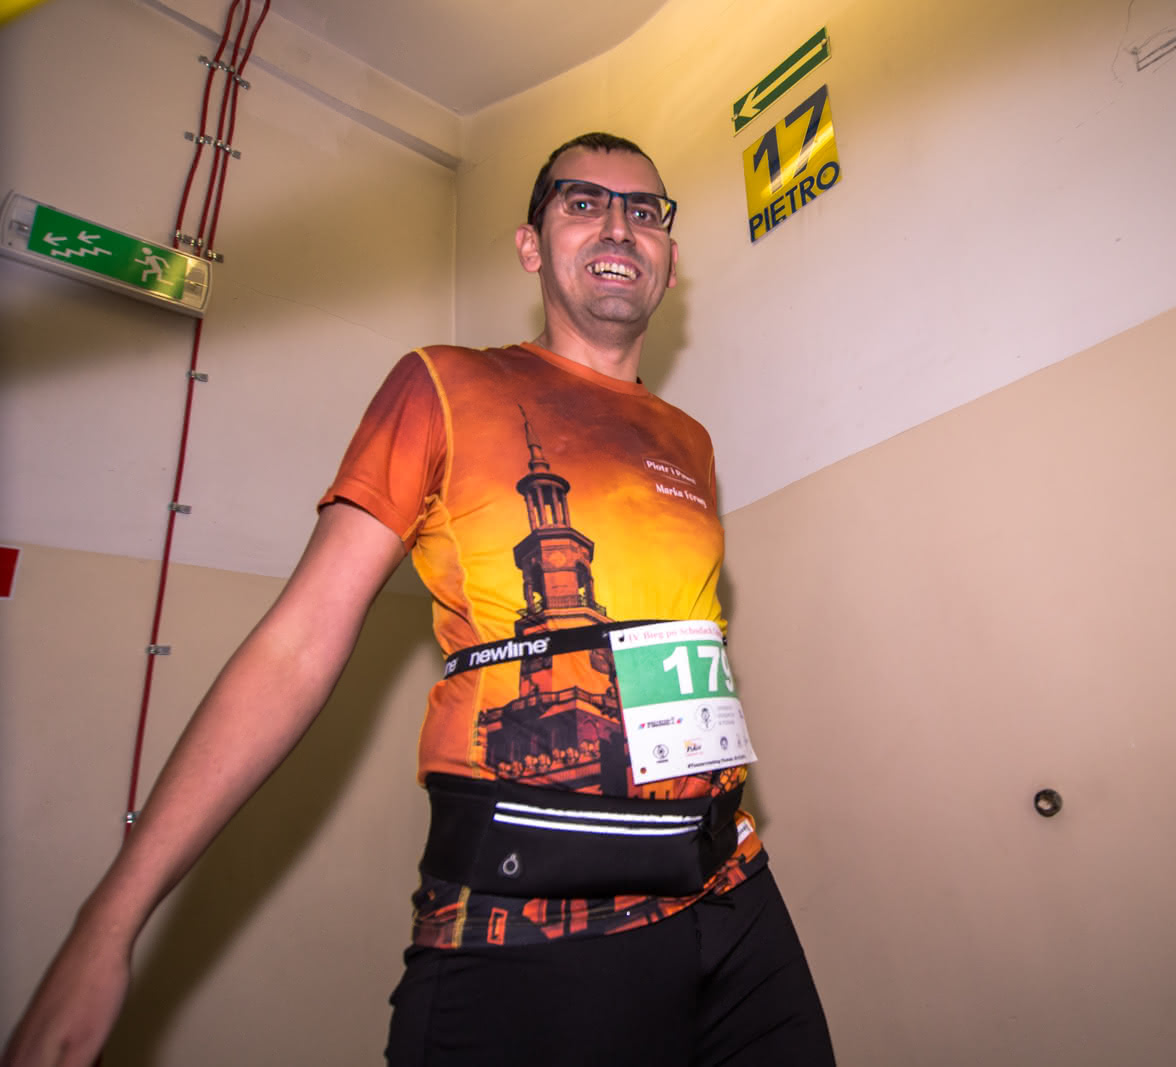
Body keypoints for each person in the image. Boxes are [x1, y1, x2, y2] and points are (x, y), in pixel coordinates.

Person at [3, 132, 835, 1067]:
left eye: (643, 210)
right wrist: (109, 919)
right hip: (539, 922)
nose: (617, 225)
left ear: (669, 259)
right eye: (583, 202)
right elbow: (297, 643)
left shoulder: (690, 438)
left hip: (732, 893)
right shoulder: (444, 383)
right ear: (531, 246)